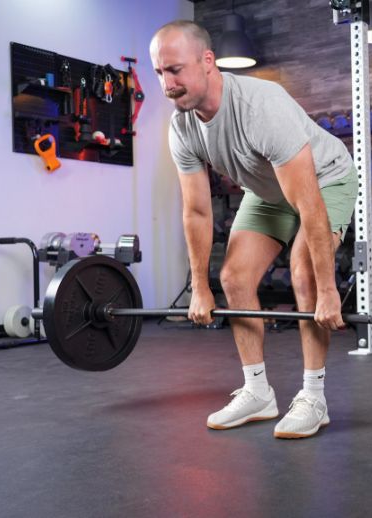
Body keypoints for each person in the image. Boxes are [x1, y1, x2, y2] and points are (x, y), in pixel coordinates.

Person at [150, 20, 358, 439]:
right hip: (266, 189)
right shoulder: (182, 126)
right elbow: (196, 211)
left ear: (208, 62)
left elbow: (308, 202)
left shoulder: (261, 107)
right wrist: (199, 287)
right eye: (159, 73)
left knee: (303, 272)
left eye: (175, 70)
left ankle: (314, 398)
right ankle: (257, 391)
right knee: (233, 277)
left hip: (325, 178)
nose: (167, 83)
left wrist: (328, 289)